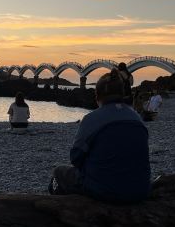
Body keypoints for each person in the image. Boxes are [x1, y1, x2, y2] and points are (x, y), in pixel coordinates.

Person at [48, 69, 151, 204]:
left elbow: (75, 157)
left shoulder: (92, 119)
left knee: (58, 173)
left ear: (97, 96)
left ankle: (59, 211)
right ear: (123, 94)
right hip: (141, 190)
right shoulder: (136, 118)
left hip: (104, 190)